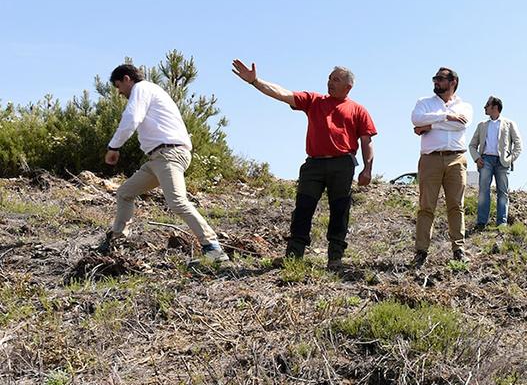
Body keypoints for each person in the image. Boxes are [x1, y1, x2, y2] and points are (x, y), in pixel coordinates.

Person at [232, 60, 376, 268]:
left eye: (336, 79)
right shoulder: (314, 101)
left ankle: (335, 258)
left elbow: (367, 141)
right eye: (329, 78)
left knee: (340, 209)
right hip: (314, 165)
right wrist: (255, 81)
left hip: (342, 165)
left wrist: (367, 169)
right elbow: (282, 94)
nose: (330, 82)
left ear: (348, 86)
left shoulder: (358, 110)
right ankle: (294, 256)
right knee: (303, 208)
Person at [101, 64, 229, 264]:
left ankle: (213, 248)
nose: (119, 92)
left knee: (177, 201)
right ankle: (116, 242)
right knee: (125, 192)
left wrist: (114, 147)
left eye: (119, 86)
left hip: (169, 154)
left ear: (127, 79)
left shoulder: (141, 88)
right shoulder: (152, 90)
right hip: (157, 158)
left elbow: (132, 118)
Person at [411, 68, 473, 263]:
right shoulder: (424, 102)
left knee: (456, 205)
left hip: (456, 159)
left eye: (440, 79)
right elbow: (416, 119)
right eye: (435, 79)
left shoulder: (465, 106)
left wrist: (430, 126)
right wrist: (446, 117)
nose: (436, 82)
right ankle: (421, 252)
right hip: (430, 159)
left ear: (453, 81)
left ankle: (459, 250)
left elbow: (461, 125)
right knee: (426, 206)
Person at [467, 95, 522, 231]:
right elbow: (472, 145)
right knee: (483, 192)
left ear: (495, 107)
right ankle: (481, 222)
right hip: (485, 161)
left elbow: (518, 144)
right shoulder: (482, 125)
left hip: (502, 162)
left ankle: (501, 223)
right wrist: (477, 158)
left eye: (487, 105)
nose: (484, 108)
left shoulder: (509, 124)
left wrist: (510, 159)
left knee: (503, 192)